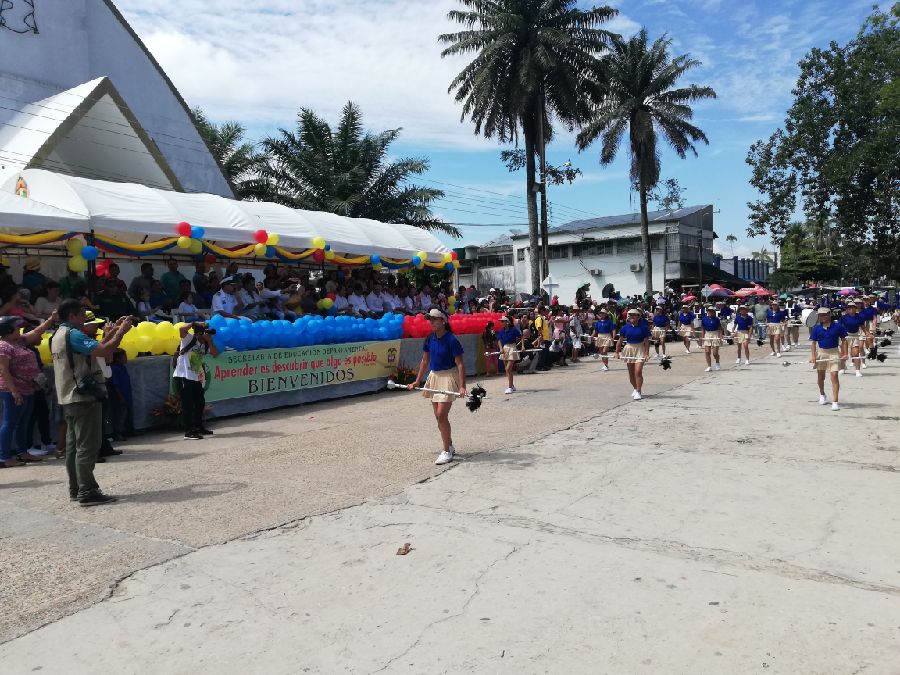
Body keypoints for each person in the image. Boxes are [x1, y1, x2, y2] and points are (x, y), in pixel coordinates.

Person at [50, 300, 131, 505]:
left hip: (68, 396)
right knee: (88, 444)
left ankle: (76, 488)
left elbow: (98, 349)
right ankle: (88, 491)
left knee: (74, 446)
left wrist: (110, 334)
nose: (85, 319)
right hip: (83, 396)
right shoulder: (73, 334)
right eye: (81, 315)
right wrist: (122, 332)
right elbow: (105, 352)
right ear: (72, 316)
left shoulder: (57, 335)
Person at [408, 308, 466, 465]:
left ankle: (446, 451)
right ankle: (450, 445)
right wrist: (417, 380)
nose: (431, 321)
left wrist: (462, 386)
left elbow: (460, 364)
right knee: (438, 417)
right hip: (434, 376)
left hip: (448, 376)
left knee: (441, 415)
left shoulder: (451, 340)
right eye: (429, 319)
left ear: (443, 321)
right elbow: (424, 361)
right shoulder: (429, 339)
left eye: (434, 319)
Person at [0, 314, 56, 467]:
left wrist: (51, 319)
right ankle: (4, 457)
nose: (20, 329)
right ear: (9, 329)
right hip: (13, 390)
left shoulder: (19, 341)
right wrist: (14, 391)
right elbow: (4, 370)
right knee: (10, 422)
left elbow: (37, 332)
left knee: (22, 422)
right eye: (17, 327)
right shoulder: (4, 346)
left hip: (28, 389)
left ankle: (22, 452)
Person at [172, 322, 219, 440]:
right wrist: (193, 323)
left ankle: (198, 427)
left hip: (195, 378)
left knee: (199, 403)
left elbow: (215, 354)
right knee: (187, 405)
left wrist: (209, 341)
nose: (207, 335)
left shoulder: (205, 344)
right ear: (198, 333)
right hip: (183, 376)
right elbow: (182, 329)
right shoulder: (189, 339)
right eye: (204, 333)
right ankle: (188, 432)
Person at [809, 307, 847, 411]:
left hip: (834, 353)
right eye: (821, 315)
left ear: (829, 314)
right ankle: (822, 394)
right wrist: (813, 356)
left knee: (834, 376)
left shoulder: (838, 326)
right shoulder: (816, 328)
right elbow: (813, 342)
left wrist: (845, 353)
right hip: (821, 353)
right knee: (821, 376)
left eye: (825, 315)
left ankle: (835, 402)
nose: (823, 317)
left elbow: (844, 340)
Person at [615, 308, 650, 400]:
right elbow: (620, 341)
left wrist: (646, 353)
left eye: (634, 315)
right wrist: (617, 352)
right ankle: (635, 388)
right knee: (631, 373)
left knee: (638, 371)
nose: (631, 317)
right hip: (629, 349)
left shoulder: (644, 328)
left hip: (640, 349)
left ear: (638, 317)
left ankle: (638, 391)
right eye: (630, 315)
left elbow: (646, 342)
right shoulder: (625, 328)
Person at [109, 349, 134, 441]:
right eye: (124, 357)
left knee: (126, 414)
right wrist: (121, 397)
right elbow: (116, 384)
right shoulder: (115, 369)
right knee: (120, 415)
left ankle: (126, 430)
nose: (126, 359)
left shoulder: (123, 367)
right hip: (120, 397)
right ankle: (117, 433)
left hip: (127, 395)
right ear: (118, 359)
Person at [496, 315, 521, 394]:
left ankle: (510, 387)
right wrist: (500, 348)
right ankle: (512, 385)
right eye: (501, 321)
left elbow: (521, 336)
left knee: (508, 369)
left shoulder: (513, 329)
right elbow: (499, 340)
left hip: (512, 347)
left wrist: (522, 346)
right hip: (504, 348)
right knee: (506, 369)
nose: (501, 323)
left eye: (503, 321)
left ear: (507, 322)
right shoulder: (501, 330)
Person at [839, 301, 864, 377]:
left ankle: (857, 371)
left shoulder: (859, 317)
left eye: (853, 308)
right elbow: (839, 327)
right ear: (847, 309)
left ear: (855, 309)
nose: (852, 309)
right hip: (846, 336)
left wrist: (868, 333)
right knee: (843, 354)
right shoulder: (843, 317)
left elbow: (862, 327)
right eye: (850, 308)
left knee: (856, 353)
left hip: (855, 336)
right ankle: (843, 368)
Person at [701, 305, 724, 372]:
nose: (710, 312)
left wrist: (721, 335)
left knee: (715, 353)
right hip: (707, 334)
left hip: (715, 334)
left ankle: (717, 362)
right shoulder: (704, 319)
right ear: (707, 312)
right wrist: (702, 337)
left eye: (712, 311)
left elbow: (720, 328)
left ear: (714, 312)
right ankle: (709, 366)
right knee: (707, 352)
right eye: (709, 311)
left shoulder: (717, 319)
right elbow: (702, 328)